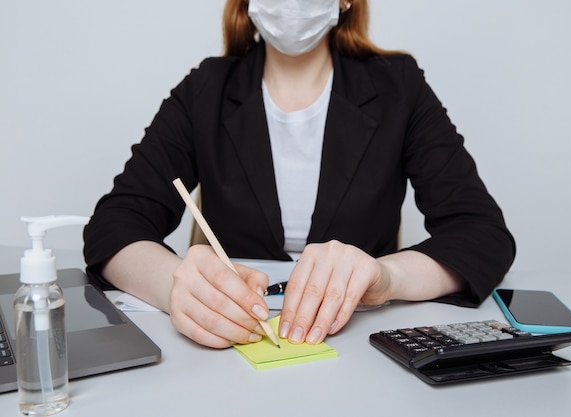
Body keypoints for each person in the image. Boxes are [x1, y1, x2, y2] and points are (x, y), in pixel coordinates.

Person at [83, 0, 515, 349]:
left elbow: (482, 234)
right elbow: (114, 225)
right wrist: (173, 286)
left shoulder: (398, 87)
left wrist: (387, 278)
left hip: (360, 347)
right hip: (232, 349)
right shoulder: (206, 90)